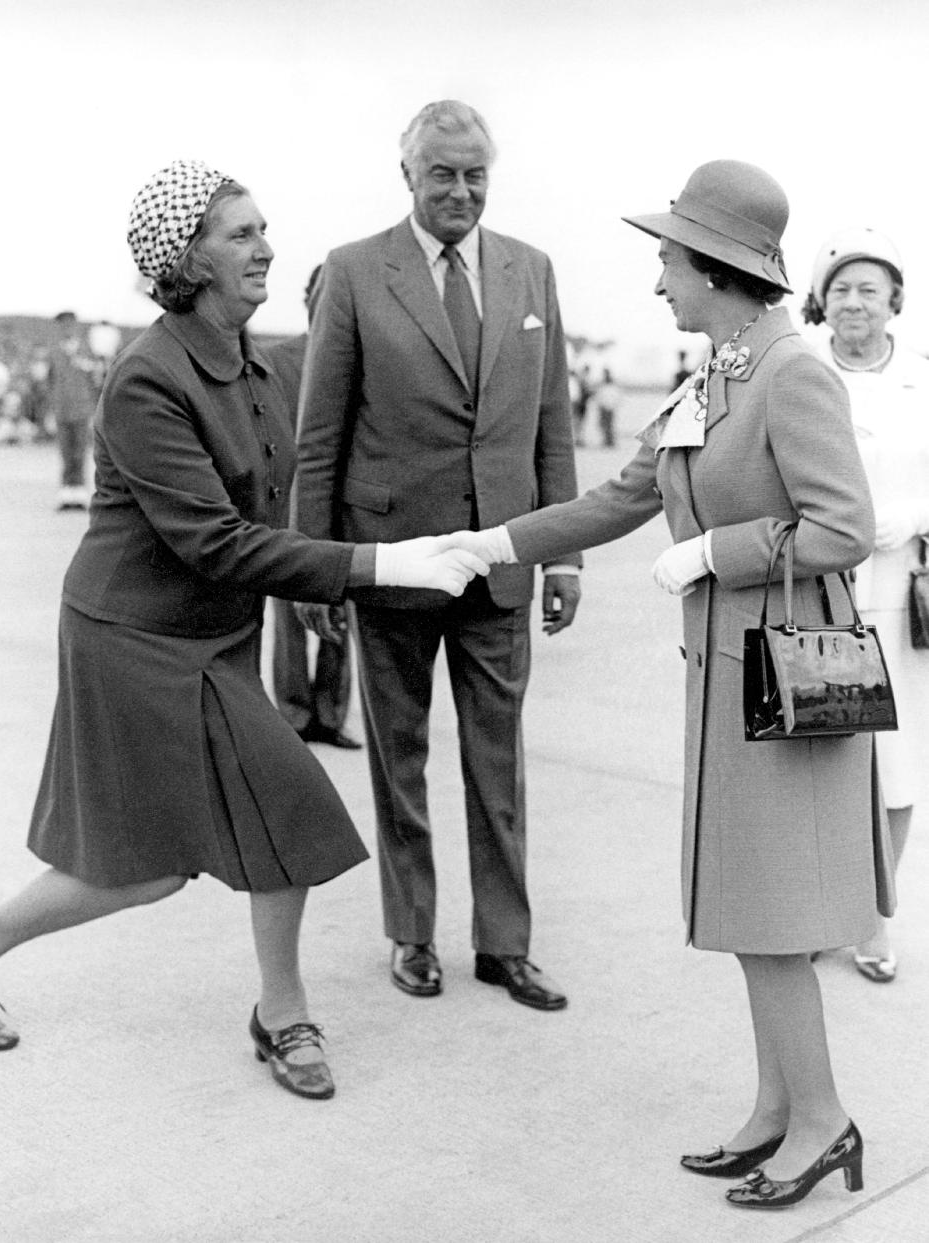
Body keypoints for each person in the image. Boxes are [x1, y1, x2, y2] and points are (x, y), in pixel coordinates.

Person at [0, 160, 486, 1103]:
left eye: (264, 228)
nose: (265, 245)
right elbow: (218, 542)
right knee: (149, 869)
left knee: (285, 812)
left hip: (212, 635)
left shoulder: (252, 362)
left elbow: (292, 492)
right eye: (241, 233)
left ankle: (281, 1010)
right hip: (135, 638)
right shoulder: (147, 380)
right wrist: (382, 566)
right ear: (186, 258)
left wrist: (356, 556)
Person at [449, 161, 894, 1209]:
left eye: (666, 261)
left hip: (784, 683)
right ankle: (780, 1107)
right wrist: (486, 542)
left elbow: (840, 525)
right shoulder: (720, 371)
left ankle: (823, 1120)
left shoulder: (790, 370)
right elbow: (622, 493)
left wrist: (711, 554)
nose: (656, 282)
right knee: (746, 904)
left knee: (775, 908)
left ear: (715, 270)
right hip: (728, 677)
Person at [294, 100, 581, 1011]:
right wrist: (315, 564)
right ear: (409, 175)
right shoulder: (351, 272)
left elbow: (552, 425)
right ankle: (411, 934)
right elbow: (319, 437)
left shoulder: (531, 272)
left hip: (501, 556)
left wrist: (563, 554)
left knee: (500, 762)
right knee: (399, 757)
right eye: (442, 174)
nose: (460, 190)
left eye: (475, 174)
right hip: (391, 558)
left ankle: (505, 944)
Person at [802, 228, 929, 983]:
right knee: (826, 755)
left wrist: (910, 517)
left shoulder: (922, 375)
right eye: (842, 288)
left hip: (900, 594)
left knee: (898, 764)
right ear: (823, 300)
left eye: (870, 290)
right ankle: (826, 911)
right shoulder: (801, 370)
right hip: (822, 594)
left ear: (894, 302)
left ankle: (876, 917)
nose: (855, 302)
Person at [271, 266, 361, 750]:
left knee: (341, 611)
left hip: (346, 507)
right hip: (289, 505)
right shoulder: (276, 360)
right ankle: (292, 712)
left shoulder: (362, 359)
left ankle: (330, 713)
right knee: (288, 615)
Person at [49, 310, 101, 510]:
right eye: (62, 324)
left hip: (82, 408)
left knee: (79, 451)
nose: (66, 328)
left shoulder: (87, 350)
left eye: (69, 324)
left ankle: (79, 493)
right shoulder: (54, 350)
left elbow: (97, 381)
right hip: (61, 408)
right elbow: (50, 381)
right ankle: (66, 494)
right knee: (65, 452)